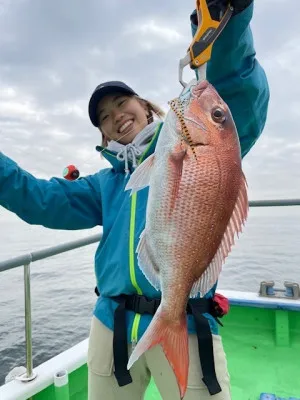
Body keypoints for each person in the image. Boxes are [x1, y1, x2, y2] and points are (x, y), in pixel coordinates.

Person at [0, 0, 269, 399]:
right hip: (112, 324)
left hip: (187, 321)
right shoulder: (104, 186)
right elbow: (38, 199)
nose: (116, 117)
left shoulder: (204, 146)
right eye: (104, 118)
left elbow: (237, 93)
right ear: (104, 137)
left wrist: (230, 22)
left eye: (121, 104)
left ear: (144, 105)